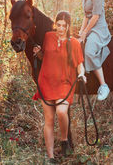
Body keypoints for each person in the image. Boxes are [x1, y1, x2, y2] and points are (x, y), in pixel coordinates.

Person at [32, 11, 85, 162]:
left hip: (64, 83)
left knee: (62, 112)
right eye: (58, 25)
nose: (60, 28)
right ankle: (50, 157)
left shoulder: (74, 43)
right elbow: (46, 56)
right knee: (48, 120)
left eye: (64, 26)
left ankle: (63, 140)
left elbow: (79, 65)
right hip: (46, 82)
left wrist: (82, 74)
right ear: (55, 24)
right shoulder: (48, 36)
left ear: (68, 26)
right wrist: (38, 54)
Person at [75, 0, 111, 101]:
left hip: (98, 28)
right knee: (76, 46)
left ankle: (103, 85)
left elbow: (95, 16)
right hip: (89, 27)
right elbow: (86, 16)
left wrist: (85, 32)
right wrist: (81, 32)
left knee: (89, 51)